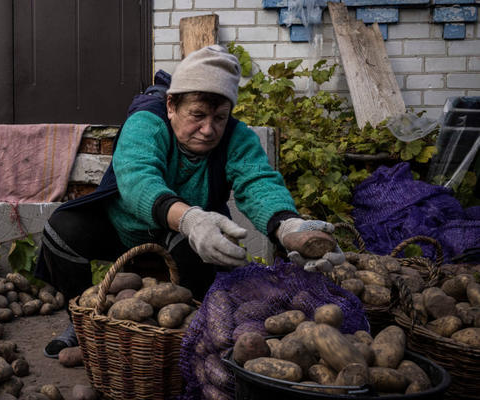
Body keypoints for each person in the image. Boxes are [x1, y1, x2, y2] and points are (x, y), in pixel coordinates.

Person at [35, 45, 344, 358]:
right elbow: (138, 179)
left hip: (178, 242)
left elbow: (258, 182)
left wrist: (287, 225)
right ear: (172, 105)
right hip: (121, 228)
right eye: (197, 115)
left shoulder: (237, 138)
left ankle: (183, 335)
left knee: (201, 258)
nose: (208, 130)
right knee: (62, 229)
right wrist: (191, 218)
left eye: (219, 118)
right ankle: (81, 321)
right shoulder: (146, 122)